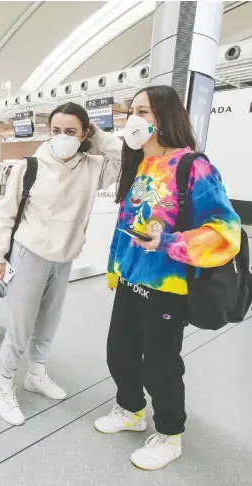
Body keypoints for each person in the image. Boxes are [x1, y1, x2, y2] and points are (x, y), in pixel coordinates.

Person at [95, 86, 241, 470]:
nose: (134, 119)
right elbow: (125, 225)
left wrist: (169, 243)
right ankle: (130, 410)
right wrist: (115, 269)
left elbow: (226, 231)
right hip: (130, 281)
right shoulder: (139, 166)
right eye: (131, 111)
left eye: (143, 110)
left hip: (168, 288)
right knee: (120, 353)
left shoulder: (194, 166)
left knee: (159, 364)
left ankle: (170, 433)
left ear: (164, 117)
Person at [0, 102, 123, 426]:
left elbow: (125, 158)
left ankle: (36, 373)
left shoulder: (93, 166)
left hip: (64, 258)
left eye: (71, 131)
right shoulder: (30, 166)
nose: (62, 137)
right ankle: (3, 386)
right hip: (29, 254)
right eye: (56, 131)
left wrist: (99, 137)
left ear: (84, 134)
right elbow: (6, 213)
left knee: (48, 323)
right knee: (20, 327)